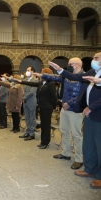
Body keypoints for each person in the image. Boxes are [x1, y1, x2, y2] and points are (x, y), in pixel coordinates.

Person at [48, 52, 101, 189]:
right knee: (89, 144)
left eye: (96, 58)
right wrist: (60, 70)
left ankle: (100, 176)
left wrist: (92, 106)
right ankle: (90, 169)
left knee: (99, 145)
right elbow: (75, 76)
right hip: (89, 112)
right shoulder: (92, 71)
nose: (93, 60)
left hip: (97, 112)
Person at [35, 58, 84, 169]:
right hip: (65, 109)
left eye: (69, 64)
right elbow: (55, 77)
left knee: (76, 135)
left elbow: (82, 95)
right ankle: (66, 153)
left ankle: (79, 159)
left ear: (76, 65)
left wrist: (69, 103)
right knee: (64, 131)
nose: (68, 66)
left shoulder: (83, 77)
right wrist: (42, 74)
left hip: (75, 110)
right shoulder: (67, 76)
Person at [15, 68, 57, 148]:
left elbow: (54, 97)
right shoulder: (41, 82)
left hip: (47, 107)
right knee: (43, 125)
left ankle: (46, 142)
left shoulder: (51, 83)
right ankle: (43, 141)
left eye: (42, 73)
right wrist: (21, 81)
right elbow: (32, 84)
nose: (41, 75)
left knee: (46, 125)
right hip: (41, 106)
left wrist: (53, 106)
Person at [19, 66, 38, 139]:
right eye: (27, 70)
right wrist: (23, 97)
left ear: (33, 72)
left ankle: (32, 133)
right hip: (25, 101)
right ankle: (28, 132)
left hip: (31, 101)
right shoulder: (26, 80)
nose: (27, 72)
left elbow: (32, 92)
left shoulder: (35, 80)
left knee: (32, 117)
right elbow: (23, 90)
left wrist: (23, 97)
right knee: (27, 117)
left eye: (29, 70)